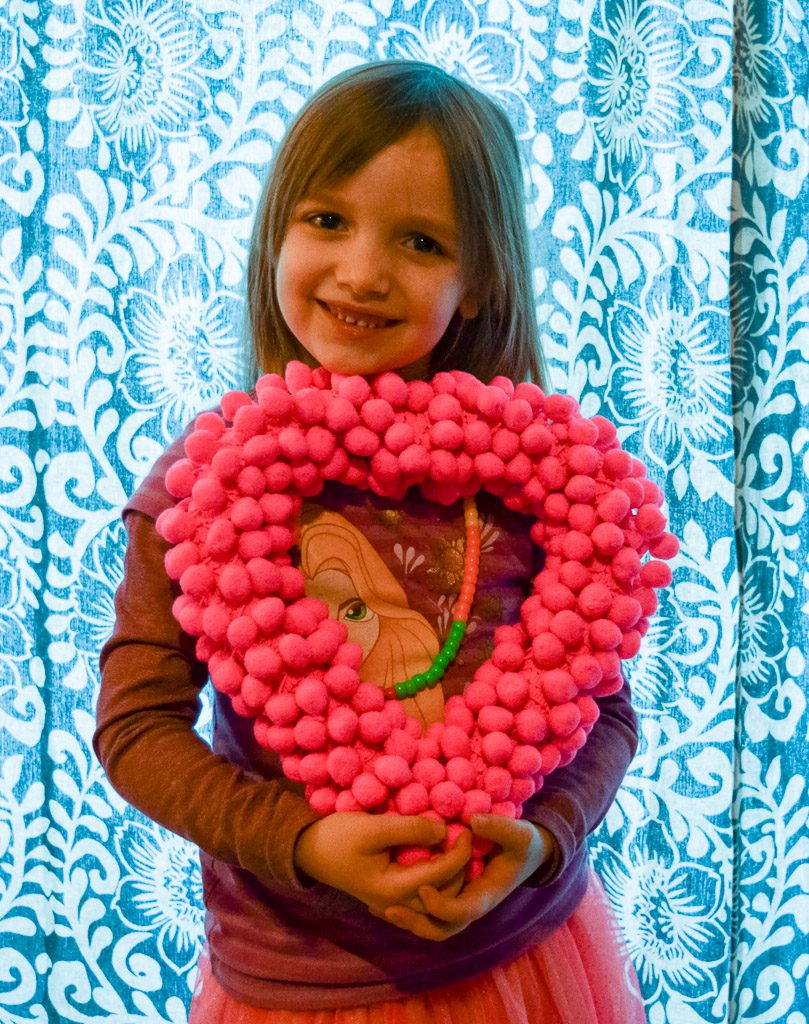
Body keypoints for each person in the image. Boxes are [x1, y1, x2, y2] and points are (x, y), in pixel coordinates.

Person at [95, 61, 647, 1023]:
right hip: (297, 983)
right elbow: (136, 730)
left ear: (476, 283)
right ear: (274, 233)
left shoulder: (537, 483)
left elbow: (601, 713)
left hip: (526, 955)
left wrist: (543, 841)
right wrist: (304, 842)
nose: (360, 270)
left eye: (421, 241)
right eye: (326, 220)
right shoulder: (203, 490)